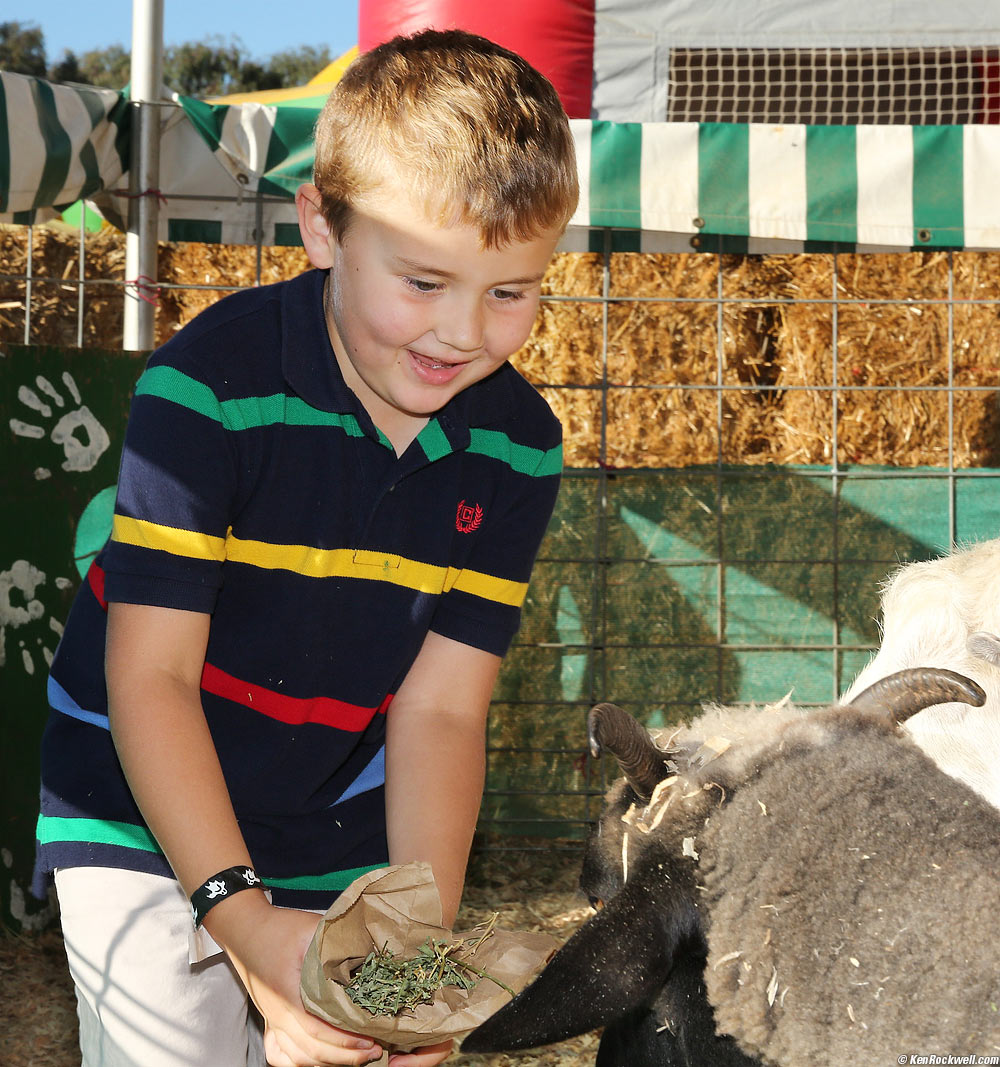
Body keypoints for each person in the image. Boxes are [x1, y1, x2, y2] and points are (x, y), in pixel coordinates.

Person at [32, 28, 578, 1067]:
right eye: (423, 281)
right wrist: (242, 924)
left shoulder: (520, 445)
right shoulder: (209, 385)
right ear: (321, 227)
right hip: (138, 801)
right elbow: (149, 677)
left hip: (338, 812)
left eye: (510, 291)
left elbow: (440, 708)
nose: (464, 332)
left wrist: (413, 955)